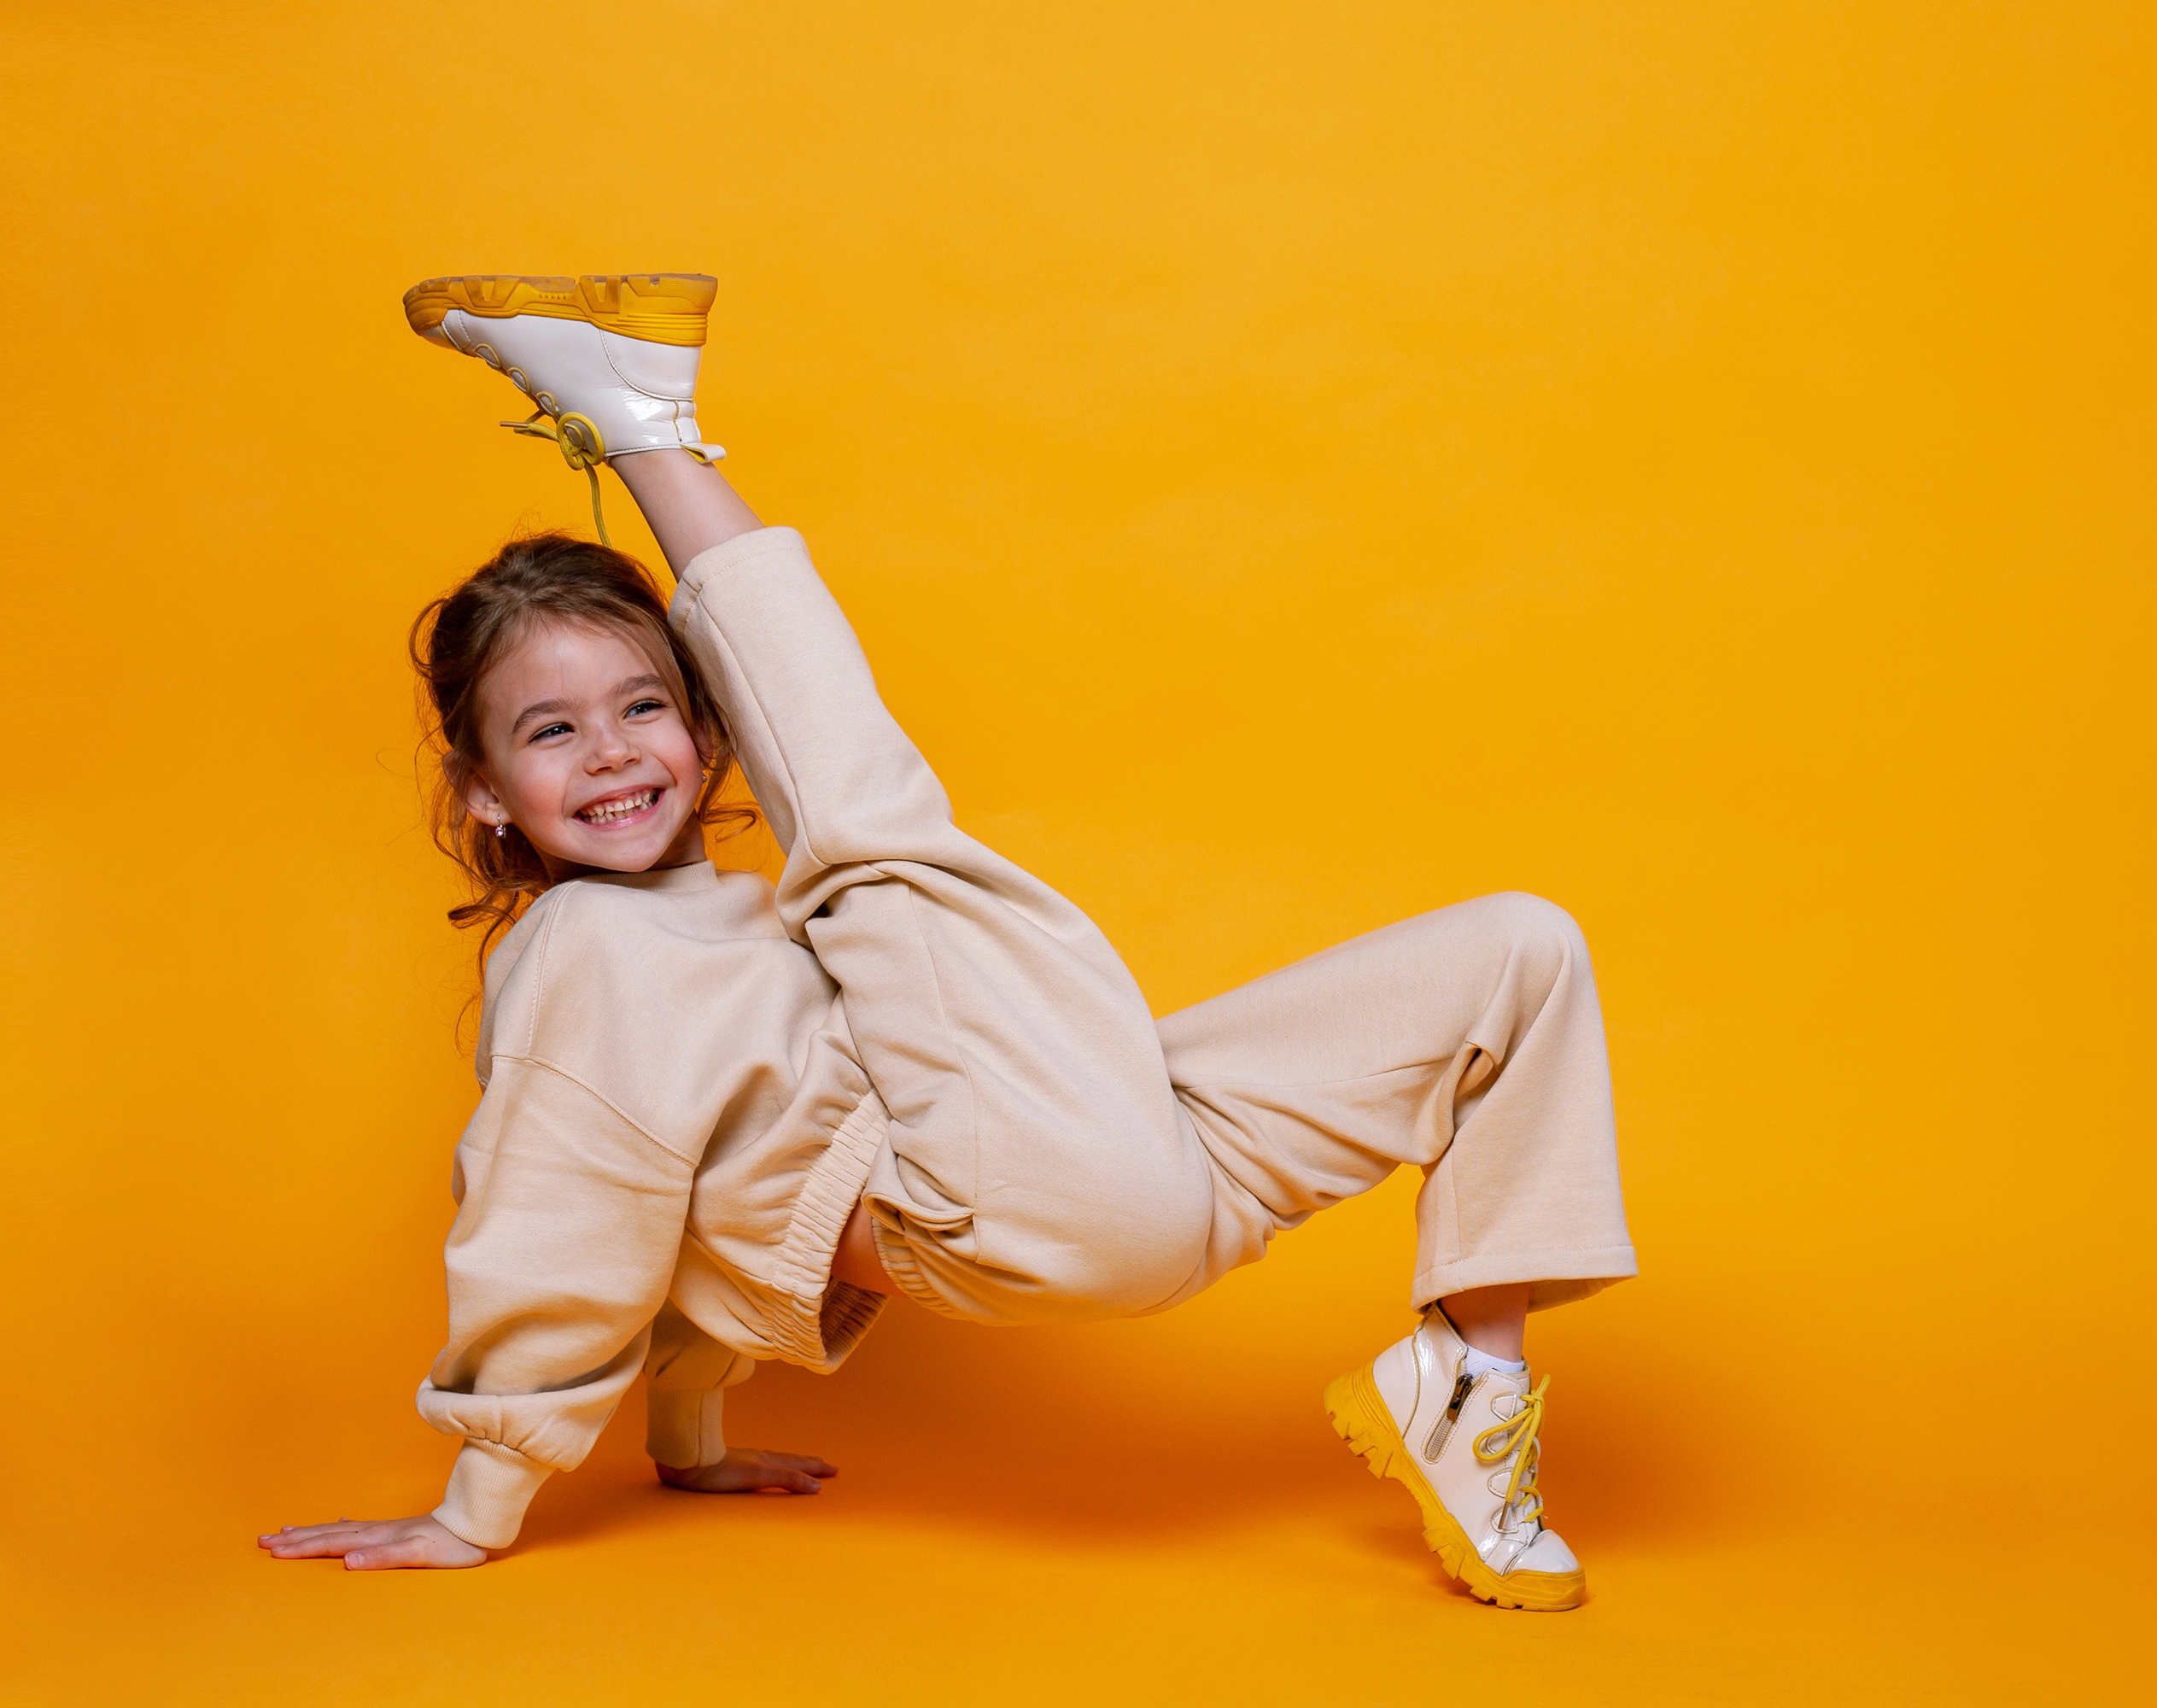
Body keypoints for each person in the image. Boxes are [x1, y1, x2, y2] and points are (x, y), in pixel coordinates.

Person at [258, 273, 1637, 1611]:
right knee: (867, 832)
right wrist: (476, 1500)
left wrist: (690, 1443)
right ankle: (645, 427)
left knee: (1516, 956)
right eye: (551, 731)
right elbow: (569, 1211)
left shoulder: (718, 925)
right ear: (486, 792)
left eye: (642, 709)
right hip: (990, 1196)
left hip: (1132, 1159)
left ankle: (1468, 1392)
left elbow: (666, 1207)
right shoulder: (581, 953)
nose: (613, 754)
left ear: (707, 733)